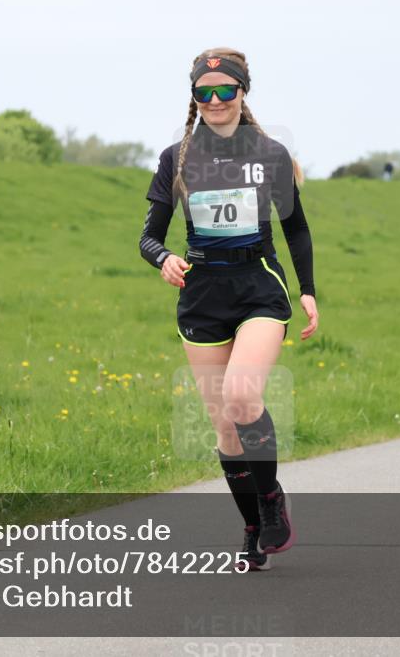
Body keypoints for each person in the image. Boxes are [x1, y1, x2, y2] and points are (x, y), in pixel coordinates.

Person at [139, 47, 319, 571]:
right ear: (194, 97)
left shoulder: (271, 154)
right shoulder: (176, 158)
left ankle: (272, 499)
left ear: (243, 92)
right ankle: (252, 526)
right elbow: (148, 238)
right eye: (205, 92)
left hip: (258, 286)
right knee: (224, 429)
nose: (215, 100)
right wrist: (164, 259)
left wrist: (307, 289)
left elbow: (296, 228)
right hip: (202, 295)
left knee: (242, 397)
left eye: (226, 90)